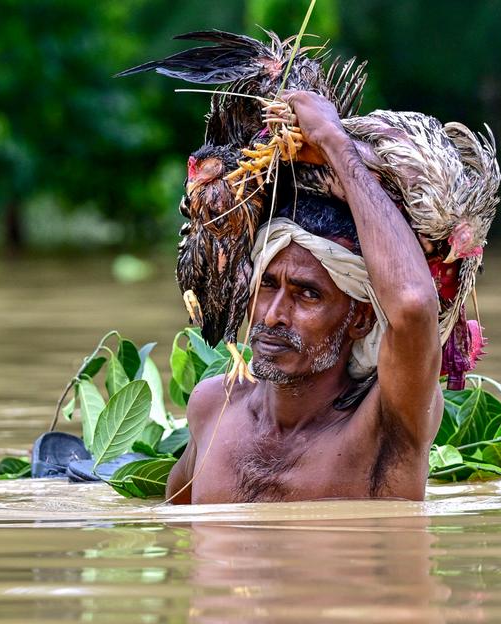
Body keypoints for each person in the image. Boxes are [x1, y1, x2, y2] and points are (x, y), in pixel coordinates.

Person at [167, 91, 444, 504]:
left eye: (307, 294)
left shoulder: (386, 422)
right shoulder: (212, 407)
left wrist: (334, 142)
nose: (274, 315)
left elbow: (413, 306)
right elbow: (170, 531)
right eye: (268, 285)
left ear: (361, 319)